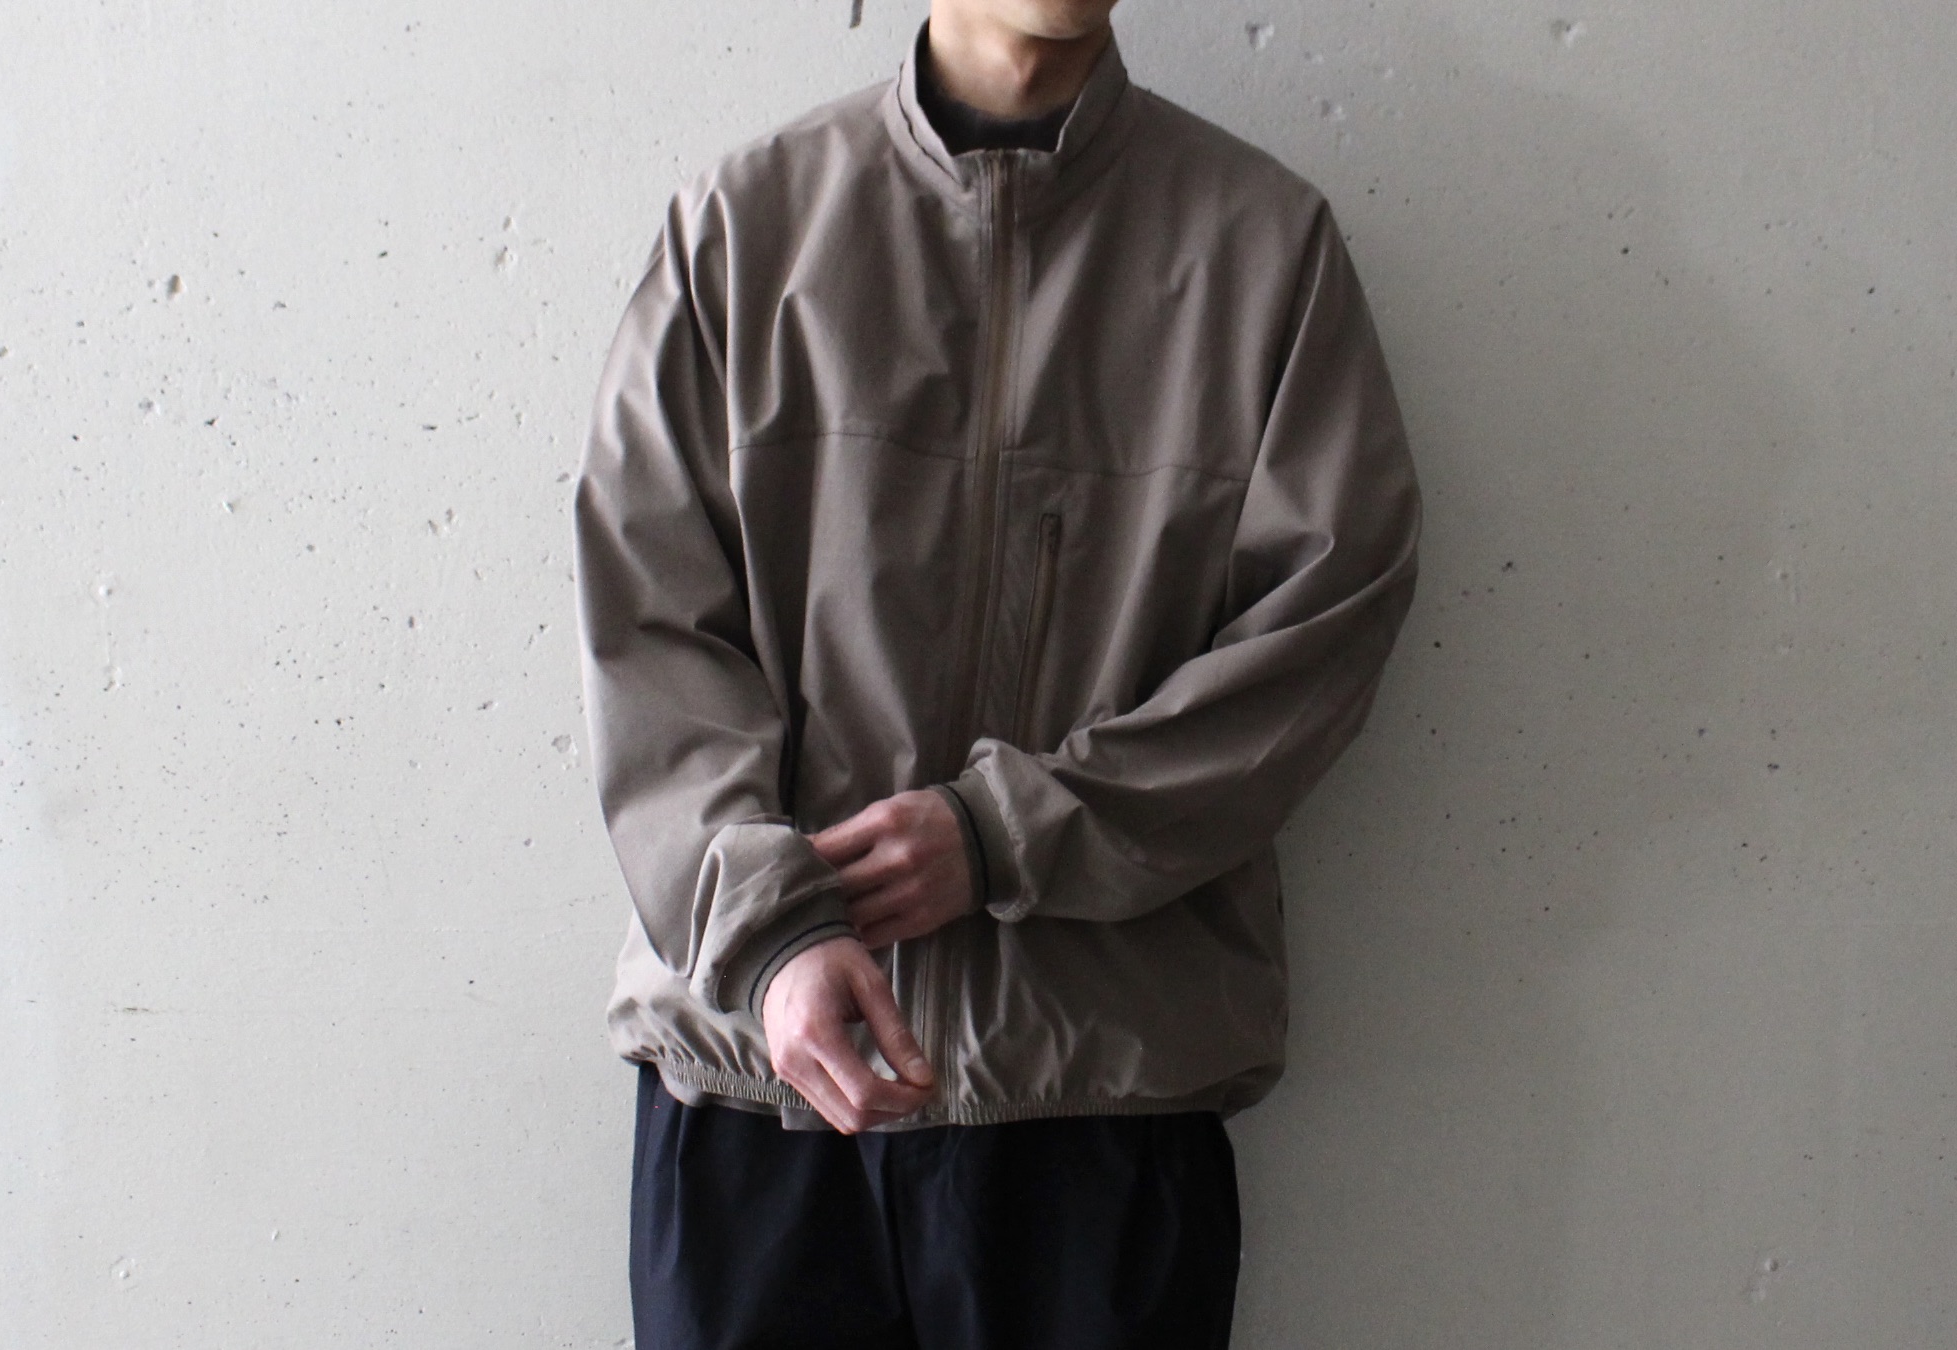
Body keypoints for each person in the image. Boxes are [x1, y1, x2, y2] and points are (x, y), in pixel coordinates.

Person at [572, 1, 1421, 1344]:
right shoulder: (742, 227)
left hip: (1097, 1098)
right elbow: (648, 622)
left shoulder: (1264, 251)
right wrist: (773, 928)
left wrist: (1007, 832)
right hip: (759, 1092)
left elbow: (1320, 629)